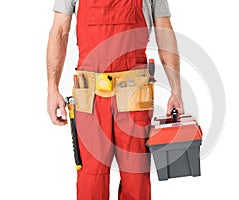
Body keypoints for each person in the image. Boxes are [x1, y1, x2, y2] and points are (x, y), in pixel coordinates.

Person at [46, 0, 184, 199]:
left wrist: (176, 89)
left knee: (136, 180)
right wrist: (52, 88)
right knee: (91, 180)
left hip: (134, 97)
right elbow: (59, 32)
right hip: (89, 97)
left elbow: (164, 32)